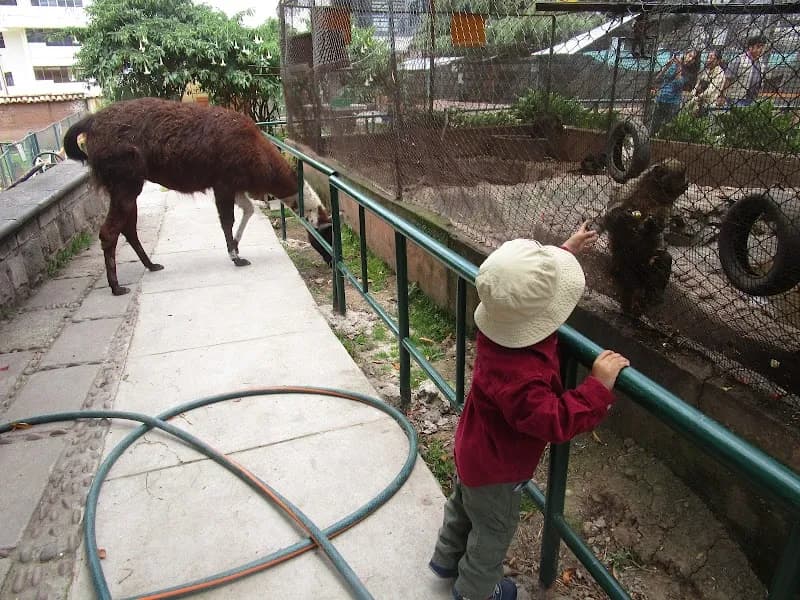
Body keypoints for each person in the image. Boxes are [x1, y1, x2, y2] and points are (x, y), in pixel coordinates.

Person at [428, 223, 630, 600]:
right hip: (498, 471)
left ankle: (445, 561)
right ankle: (476, 590)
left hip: (472, 447)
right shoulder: (523, 379)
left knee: (462, 508)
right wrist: (596, 388)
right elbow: (552, 419)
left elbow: (524, 292)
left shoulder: (496, 330)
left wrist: (566, 250)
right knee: (493, 529)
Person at [650, 49, 698, 135]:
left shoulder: (688, 72)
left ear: (694, 61)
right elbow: (658, 78)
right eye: (689, 55)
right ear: (685, 55)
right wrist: (667, 66)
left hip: (673, 102)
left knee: (668, 129)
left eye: (692, 58)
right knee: (654, 126)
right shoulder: (672, 65)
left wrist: (679, 66)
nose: (690, 59)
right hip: (661, 99)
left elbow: (678, 84)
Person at [720, 35, 768, 107]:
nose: (761, 49)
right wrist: (722, 96)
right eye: (758, 47)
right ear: (750, 47)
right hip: (736, 97)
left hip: (752, 98)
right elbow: (728, 79)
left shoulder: (761, 63)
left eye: (762, 47)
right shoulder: (739, 60)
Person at [686, 50, 726, 117]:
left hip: (709, 104)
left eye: (711, 58)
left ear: (718, 61)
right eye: (708, 57)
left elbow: (710, 91)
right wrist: (693, 93)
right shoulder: (706, 70)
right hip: (698, 102)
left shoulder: (720, 73)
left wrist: (696, 98)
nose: (708, 60)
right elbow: (698, 83)